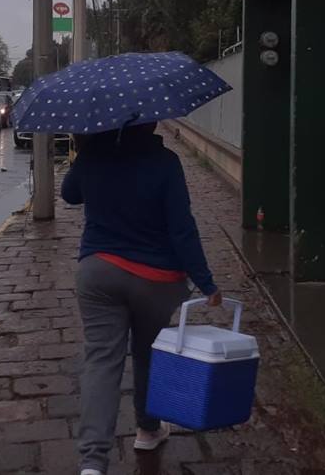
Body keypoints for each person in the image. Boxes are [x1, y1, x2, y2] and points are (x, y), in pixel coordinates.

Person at [62, 122, 221, 475]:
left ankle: (92, 463)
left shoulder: (94, 153)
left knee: (101, 362)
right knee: (148, 354)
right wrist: (206, 283)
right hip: (156, 279)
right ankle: (148, 430)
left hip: (98, 272)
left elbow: (70, 194)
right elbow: (182, 229)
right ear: (150, 121)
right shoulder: (165, 162)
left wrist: (85, 149)